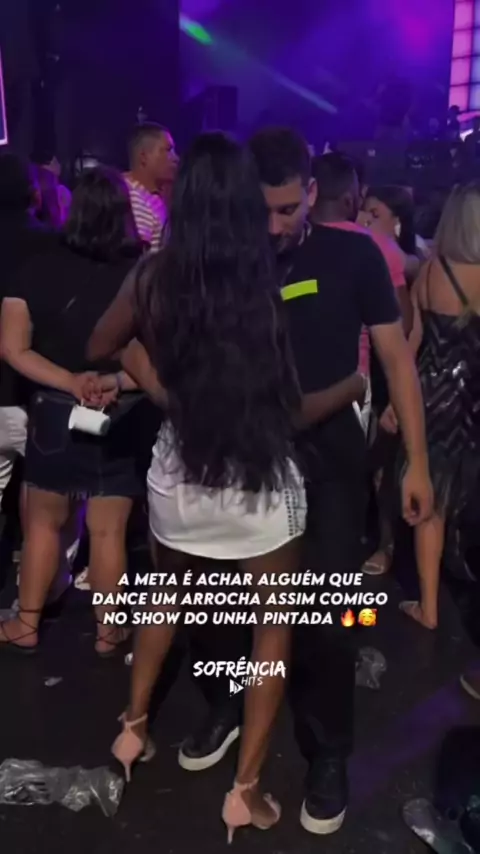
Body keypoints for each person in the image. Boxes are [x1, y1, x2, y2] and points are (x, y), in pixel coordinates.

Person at [87, 133, 314, 839]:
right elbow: (286, 396)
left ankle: (132, 729)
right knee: (272, 628)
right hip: (255, 476)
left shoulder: (153, 276)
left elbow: (99, 344)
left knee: (167, 596)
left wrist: (159, 385)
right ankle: (245, 791)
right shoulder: (263, 277)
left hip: (180, 473)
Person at [0, 166, 148, 656]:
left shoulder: (35, 267)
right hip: (121, 409)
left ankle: (26, 622)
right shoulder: (142, 272)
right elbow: (161, 353)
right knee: (108, 530)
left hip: (53, 411)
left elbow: (12, 348)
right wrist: (112, 381)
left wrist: (69, 382)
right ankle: (108, 632)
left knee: (42, 525)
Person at [382, 182, 480, 629]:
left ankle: (428, 606)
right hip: (471, 399)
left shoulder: (429, 273)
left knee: (431, 504)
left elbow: (412, 344)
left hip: (430, 396)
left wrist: (395, 402)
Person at [124, 123, 178, 251]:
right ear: (144, 157)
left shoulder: (150, 196)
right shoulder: (132, 200)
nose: (175, 158)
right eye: (168, 150)